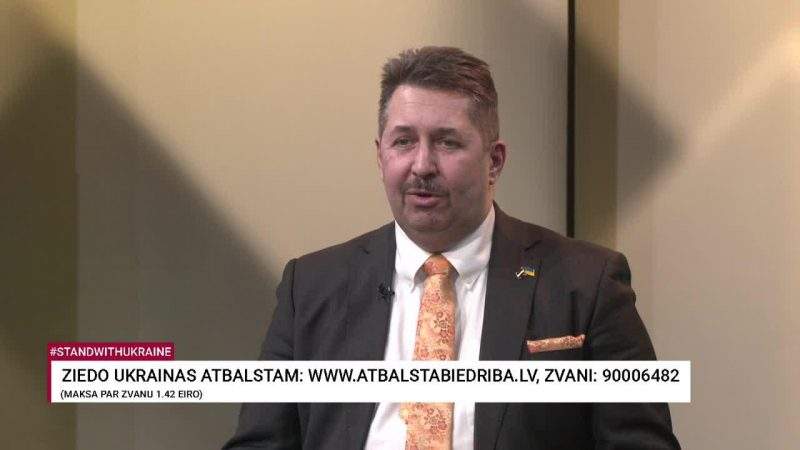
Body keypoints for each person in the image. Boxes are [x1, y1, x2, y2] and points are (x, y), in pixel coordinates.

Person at [223, 46, 680, 450]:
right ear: (380, 155)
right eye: (404, 141)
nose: (422, 165)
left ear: (494, 161)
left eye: (447, 142)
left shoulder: (587, 283)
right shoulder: (311, 286)